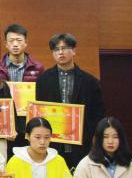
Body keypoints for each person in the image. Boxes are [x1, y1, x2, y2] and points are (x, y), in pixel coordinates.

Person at [35, 33, 105, 168]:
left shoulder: (90, 82)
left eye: (64, 48)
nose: (60, 52)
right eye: (56, 49)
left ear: (74, 51)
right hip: (53, 143)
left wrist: (89, 134)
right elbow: (39, 112)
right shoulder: (43, 80)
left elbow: (98, 113)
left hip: (81, 144)